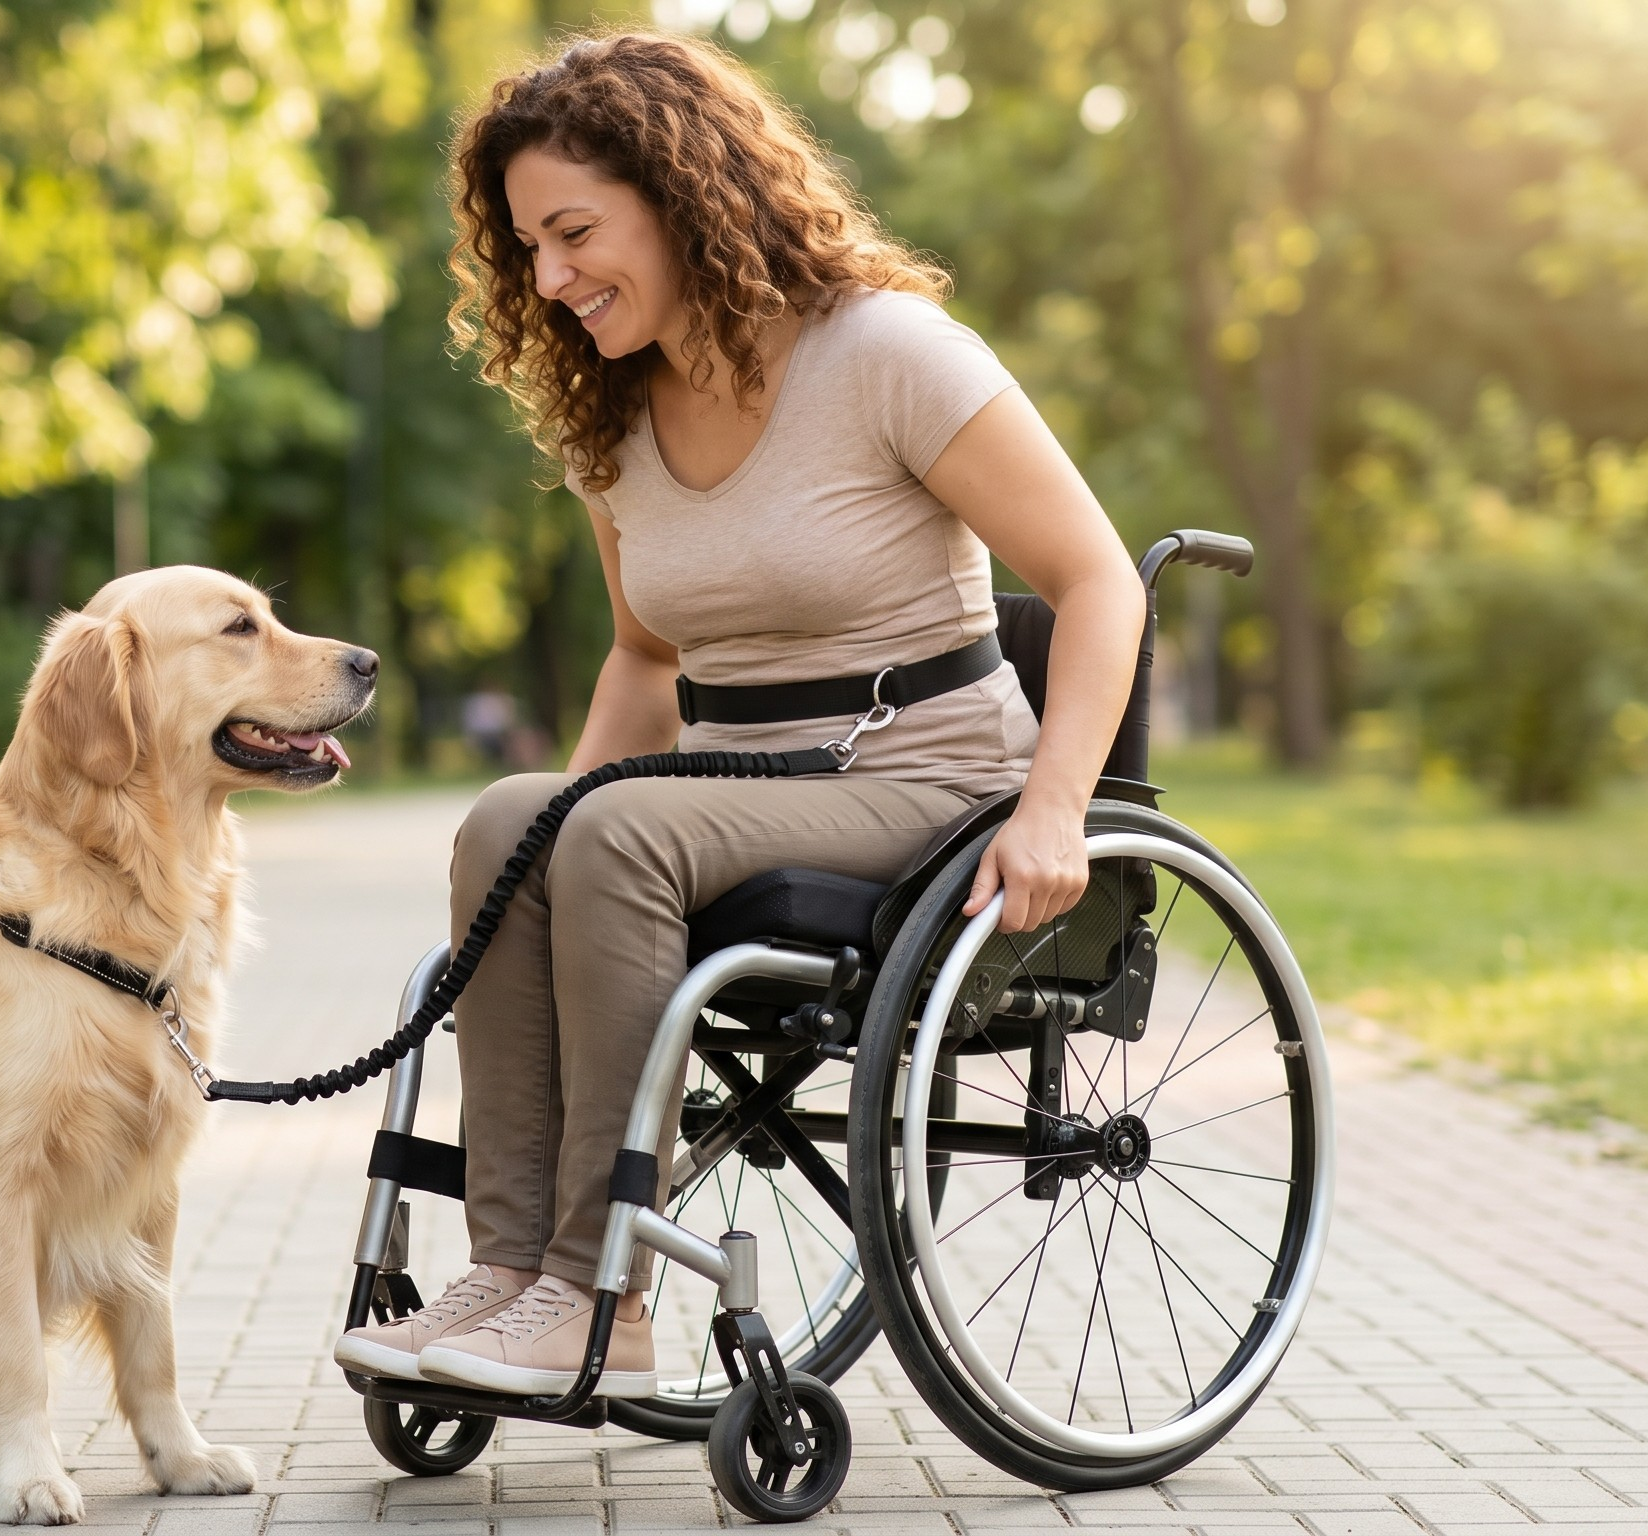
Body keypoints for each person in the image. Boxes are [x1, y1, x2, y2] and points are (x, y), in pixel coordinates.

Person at [333, 31, 1145, 1399]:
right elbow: (646, 658)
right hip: (734, 782)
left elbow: (1097, 580)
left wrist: (1057, 806)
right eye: (527, 247)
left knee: (611, 841)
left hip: (927, 780)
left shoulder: (886, 353)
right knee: (508, 823)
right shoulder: (616, 415)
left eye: (575, 232)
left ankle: (606, 1297)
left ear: (683, 189)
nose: (550, 279)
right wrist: (545, 839)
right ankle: (512, 1274)